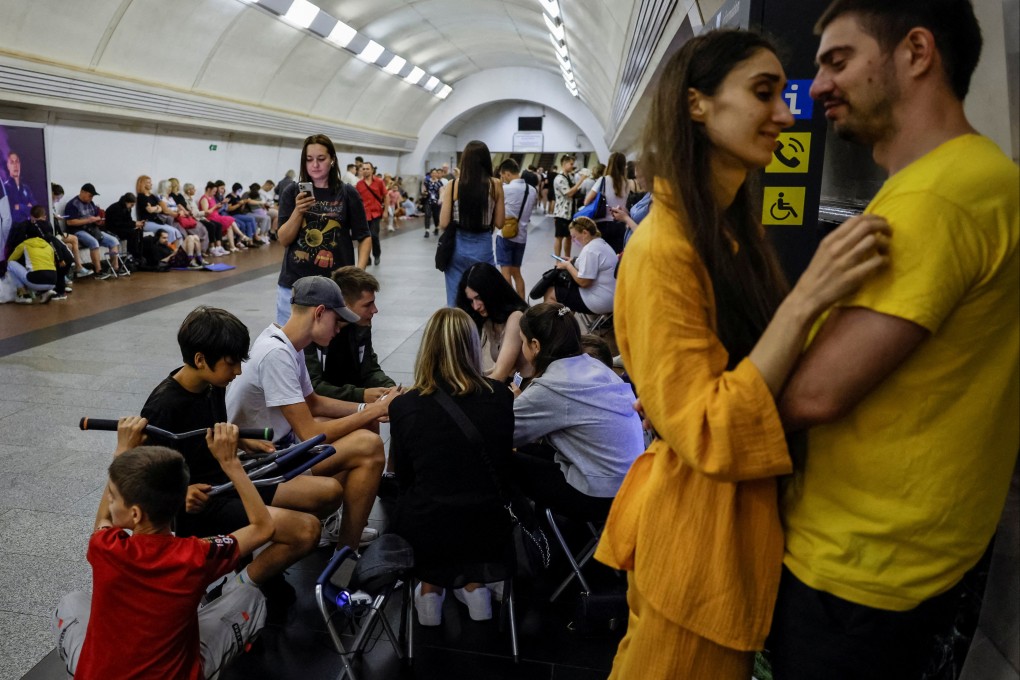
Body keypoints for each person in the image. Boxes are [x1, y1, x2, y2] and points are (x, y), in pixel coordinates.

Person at [592, 29, 891, 679]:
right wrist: (806, 299)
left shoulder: (726, 232)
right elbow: (709, 428)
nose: (787, 115)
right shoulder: (665, 249)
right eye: (764, 94)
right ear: (696, 104)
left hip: (723, 534)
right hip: (698, 544)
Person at [767, 2, 1019, 678]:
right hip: (917, 558)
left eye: (838, 60)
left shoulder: (935, 201)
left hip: (858, 574)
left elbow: (812, 393)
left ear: (915, 52)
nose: (817, 86)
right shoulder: (977, 176)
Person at [141, 306, 341, 607]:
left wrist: (240, 440)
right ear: (199, 359)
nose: (237, 372)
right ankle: (233, 592)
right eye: (232, 363)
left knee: (330, 491)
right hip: (204, 504)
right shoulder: (163, 407)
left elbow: (205, 434)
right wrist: (182, 493)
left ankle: (257, 567)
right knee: (306, 530)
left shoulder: (212, 384)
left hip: (229, 481)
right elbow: (143, 478)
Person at [52, 418, 273, 680]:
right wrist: (231, 464)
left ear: (135, 514)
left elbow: (104, 522)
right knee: (251, 596)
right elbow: (263, 527)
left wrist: (122, 450)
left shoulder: (106, 547)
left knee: (70, 602)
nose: (109, 501)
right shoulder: (199, 554)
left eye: (113, 496)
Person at [226, 276, 389, 550]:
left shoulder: (286, 342)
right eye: (337, 321)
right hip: (259, 463)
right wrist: (373, 411)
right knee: (369, 445)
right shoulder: (276, 354)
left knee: (363, 429)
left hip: (278, 449)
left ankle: (338, 529)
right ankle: (345, 553)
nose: (339, 330)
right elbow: (311, 433)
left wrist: (368, 408)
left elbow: (313, 404)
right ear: (319, 313)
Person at [389, 307, 517, 626]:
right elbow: (502, 463)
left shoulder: (405, 406)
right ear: (472, 347)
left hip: (428, 529)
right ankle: (474, 586)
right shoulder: (501, 396)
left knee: (425, 499)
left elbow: (404, 477)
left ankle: (430, 591)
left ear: (427, 348)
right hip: (489, 529)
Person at [511, 303, 644, 519]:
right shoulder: (594, 366)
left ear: (535, 345)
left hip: (601, 495)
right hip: (632, 484)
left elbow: (503, 433)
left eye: (522, 341)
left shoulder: (551, 387)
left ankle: (532, 538)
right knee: (530, 453)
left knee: (500, 459)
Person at [275, 134, 371, 325]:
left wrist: (358, 273)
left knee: (334, 345)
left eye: (321, 159)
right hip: (295, 283)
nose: (315, 165)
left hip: (336, 286)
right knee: (291, 346)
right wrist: (298, 211)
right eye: (309, 160)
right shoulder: (293, 192)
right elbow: (284, 239)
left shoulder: (347, 193)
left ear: (332, 159)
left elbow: (364, 236)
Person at [305, 266, 395, 404]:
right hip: (321, 404)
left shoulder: (361, 326)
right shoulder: (313, 334)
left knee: (377, 414)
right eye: (368, 305)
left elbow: (369, 370)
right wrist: (360, 395)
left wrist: (390, 388)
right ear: (344, 305)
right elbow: (312, 387)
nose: (375, 310)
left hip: (349, 397)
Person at [439, 140, 505, 307]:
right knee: (484, 294)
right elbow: (499, 222)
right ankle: (480, 330)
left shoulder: (453, 185)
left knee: (455, 296)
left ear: (465, 161)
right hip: (483, 245)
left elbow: (444, 222)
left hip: (457, 247)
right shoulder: (495, 184)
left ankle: (456, 330)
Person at [456, 262, 530, 383]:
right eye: (471, 301)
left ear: (492, 292)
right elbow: (497, 369)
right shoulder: (490, 320)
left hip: (524, 388)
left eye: (479, 298)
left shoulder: (516, 317)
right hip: (510, 384)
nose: (475, 306)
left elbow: (500, 375)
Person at [543, 217, 617, 315]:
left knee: (551, 292)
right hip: (611, 296)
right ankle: (565, 318)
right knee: (569, 291)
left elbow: (584, 282)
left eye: (574, 236)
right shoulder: (600, 243)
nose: (573, 240)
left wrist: (568, 266)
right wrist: (573, 260)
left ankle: (555, 323)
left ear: (585, 233)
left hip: (600, 300)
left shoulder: (590, 249)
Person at [496, 158, 538, 299]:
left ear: (507, 174)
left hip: (505, 235)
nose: (503, 179)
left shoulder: (505, 189)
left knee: (505, 272)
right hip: (522, 237)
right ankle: (522, 304)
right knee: (517, 273)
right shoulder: (532, 190)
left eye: (502, 176)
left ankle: (511, 304)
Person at [64, 183, 123, 279]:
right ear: (82, 192)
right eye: (90, 196)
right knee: (94, 242)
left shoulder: (91, 203)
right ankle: (98, 270)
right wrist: (88, 220)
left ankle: (114, 268)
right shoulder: (72, 204)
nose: (91, 198)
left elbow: (96, 217)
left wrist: (98, 221)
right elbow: (70, 222)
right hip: (78, 231)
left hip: (92, 229)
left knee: (113, 241)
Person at [583, 152, 629, 254]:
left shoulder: (603, 180)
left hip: (602, 224)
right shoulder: (626, 183)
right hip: (620, 224)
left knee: (601, 255)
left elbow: (586, 201)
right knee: (616, 255)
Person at [7, 221, 58, 303]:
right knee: (38, 271)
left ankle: (23, 294)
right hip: (53, 282)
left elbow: (11, 259)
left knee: (10, 264)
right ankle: (45, 292)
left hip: (35, 282)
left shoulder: (25, 244)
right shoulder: (48, 245)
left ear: (26, 234)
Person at [552, 154, 586, 260]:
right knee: (559, 237)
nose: (572, 166)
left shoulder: (570, 177)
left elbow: (575, 192)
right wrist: (581, 181)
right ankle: (557, 260)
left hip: (570, 211)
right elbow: (568, 193)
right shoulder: (559, 178)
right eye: (571, 164)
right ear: (564, 164)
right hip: (562, 212)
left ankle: (567, 258)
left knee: (569, 237)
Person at [135, 175, 183, 244]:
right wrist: (156, 208)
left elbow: (160, 209)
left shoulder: (152, 196)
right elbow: (149, 210)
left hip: (156, 221)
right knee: (171, 231)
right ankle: (170, 251)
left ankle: (176, 251)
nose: (151, 184)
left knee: (176, 231)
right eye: (149, 182)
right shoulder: (141, 197)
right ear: (143, 184)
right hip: (147, 222)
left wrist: (155, 208)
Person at [355, 161, 386, 265]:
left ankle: (377, 255)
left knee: (374, 235)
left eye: (367, 168)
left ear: (372, 170)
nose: (365, 170)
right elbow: (356, 200)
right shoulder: (359, 184)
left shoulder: (379, 182)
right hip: (363, 215)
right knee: (363, 237)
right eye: (363, 169)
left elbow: (386, 196)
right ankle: (366, 258)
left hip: (376, 213)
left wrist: (386, 211)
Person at [103, 192, 144, 263]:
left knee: (139, 231)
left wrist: (137, 224)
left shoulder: (127, 208)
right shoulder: (116, 208)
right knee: (132, 233)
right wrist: (134, 224)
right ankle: (131, 254)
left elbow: (128, 221)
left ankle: (138, 254)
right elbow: (118, 223)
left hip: (120, 227)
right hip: (112, 229)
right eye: (132, 204)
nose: (132, 206)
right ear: (126, 202)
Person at [3, 150, 36, 224]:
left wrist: (20, 207)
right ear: (8, 166)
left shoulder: (26, 188)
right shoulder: (5, 188)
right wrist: (26, 207)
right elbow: (11, 210)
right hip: (14, 228)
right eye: (12, 162)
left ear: (20, 164)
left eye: (17, 162)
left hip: (28, 226)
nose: (15, 165)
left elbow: (34, 207)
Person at [421, 168, 442, 238]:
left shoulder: (439, 182)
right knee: (427, 214)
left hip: (436, 201)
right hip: (428, 200)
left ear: (437, 174)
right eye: (432, 173)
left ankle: (436, 228)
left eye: (435, 173)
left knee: (436, 216)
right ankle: (427, 230)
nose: (434, 174)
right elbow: (423, 190)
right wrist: (424, 192)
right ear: (430, 174)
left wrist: (440, 199)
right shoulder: (427, 182)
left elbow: (441, 191)